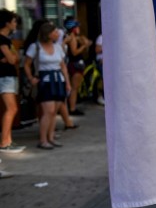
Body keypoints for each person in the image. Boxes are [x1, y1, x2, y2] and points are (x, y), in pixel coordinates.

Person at [23, 22, 71, 150]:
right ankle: (43, 139)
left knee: (54, 111)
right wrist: (31, 78)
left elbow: (63, 66)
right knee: (48, 110)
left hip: (58, 79)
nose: (58, 34)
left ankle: (51, 137)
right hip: (44, 80)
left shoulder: (58, 47)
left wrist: (67, 82)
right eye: (55, 32)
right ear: (48, 34)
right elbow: (27, 64)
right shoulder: (35, 47)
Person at [0, 10, 24, 153]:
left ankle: (7, 140)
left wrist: (12, 58)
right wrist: (12, 57)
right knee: (12, 108)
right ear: (7, 23)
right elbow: (12, 59)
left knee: (11, 108)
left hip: (8, 76)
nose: (15, 24)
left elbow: (13, 59)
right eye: (13, 21)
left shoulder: (6, 39)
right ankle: (4, 142)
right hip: (5, 77)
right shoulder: (2, 39)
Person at [63, 19, 92, 116]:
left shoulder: (73, 37)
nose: (79, 29)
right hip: (76, 63)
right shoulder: (72, 38)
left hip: (73, 63)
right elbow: (74, 52)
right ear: (73, 29)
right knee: (74, 88)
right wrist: (83, 46)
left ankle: (71, 107)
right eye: (77, 27)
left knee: (73, 88)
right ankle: (72, 108)